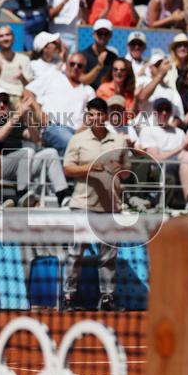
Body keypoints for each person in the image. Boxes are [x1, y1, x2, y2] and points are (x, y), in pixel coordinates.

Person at [62, 97, 128, 311]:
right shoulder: (77, 139)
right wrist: (91, 168)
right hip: (81, 204)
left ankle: (107, 298)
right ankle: (69, 296)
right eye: (91, 114)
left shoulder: (119, 141)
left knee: (108, 256)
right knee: (74, 253)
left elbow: (127, 172)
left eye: (100, 114)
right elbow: (67, 169)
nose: (96, 118)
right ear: (87, 116)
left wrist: (120, 168)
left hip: (110, 206)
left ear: (106, 116)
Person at [27, 52, 97, 156]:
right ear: (66, 64)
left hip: (78, 132)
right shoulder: (54, 77)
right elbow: (28, 91)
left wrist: (82, 129)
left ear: (84, 69)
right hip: (53, 127)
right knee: (72, 145)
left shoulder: (88, 90)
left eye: (80, 65)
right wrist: (38, 110)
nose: (75, 67)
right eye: (72, 64)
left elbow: (92, 115)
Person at [137, 96, 188, 204]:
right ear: (154, 113)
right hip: (159, 169)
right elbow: (156, 159)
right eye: (160, 110)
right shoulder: (148, 130)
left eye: (167, 110)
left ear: (171, 113)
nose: (164, 113)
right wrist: (181, 147)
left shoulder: (179, 132)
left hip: (179, 167)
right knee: (185, 155)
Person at [0, 24, 31, 103]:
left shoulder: (24, 59)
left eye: (8, 35)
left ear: (13, 38)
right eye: (1, 36)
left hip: (20, 100)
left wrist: (22, 78)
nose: (5, 38)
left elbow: (31, 88)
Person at [78, 19, 118, 88]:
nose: (103, 36)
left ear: (110, 36)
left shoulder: (113, 57)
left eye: (106, 34)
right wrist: (98, 67)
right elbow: (81, 80)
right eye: (100, 33)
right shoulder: (82, 56)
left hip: (106, 95)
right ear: (93, 34)